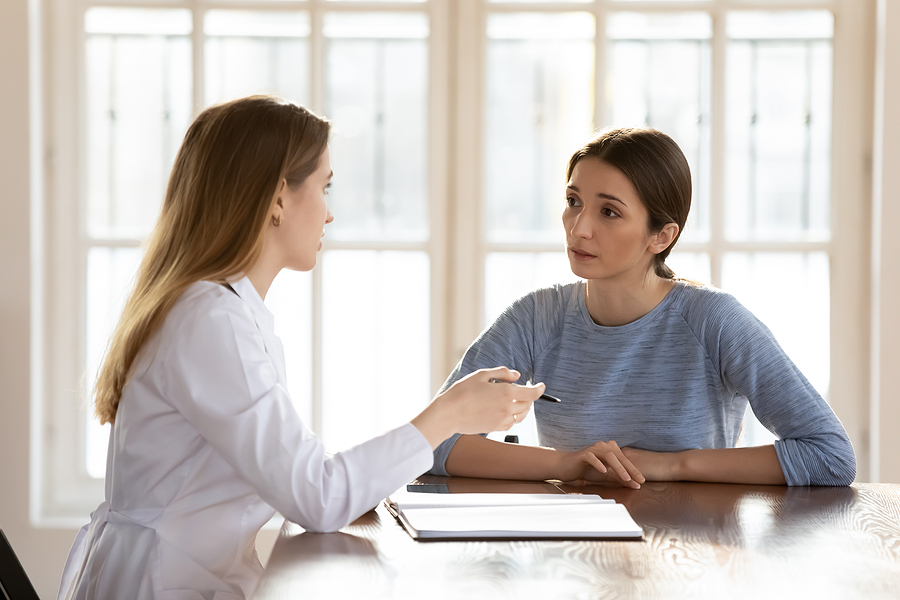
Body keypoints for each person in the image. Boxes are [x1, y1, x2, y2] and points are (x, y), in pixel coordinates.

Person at [57, 95, 546, 600]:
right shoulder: (210, 319)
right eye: (324, 186)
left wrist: (364, 476)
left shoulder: (223, 309)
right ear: (277, 198)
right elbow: (317, 498)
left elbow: (303, 477)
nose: (330, 214)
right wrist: (448, 414)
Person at [431, 127, 856, 489]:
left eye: (609, 212)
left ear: (661, 236)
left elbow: (830, 456)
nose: (579, 228)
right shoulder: (536, 317)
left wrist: (667, 465)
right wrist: (567, 463)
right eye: (574, 201)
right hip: (574, 553)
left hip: (692, 553)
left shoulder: (715, 320)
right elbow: (433, 443)